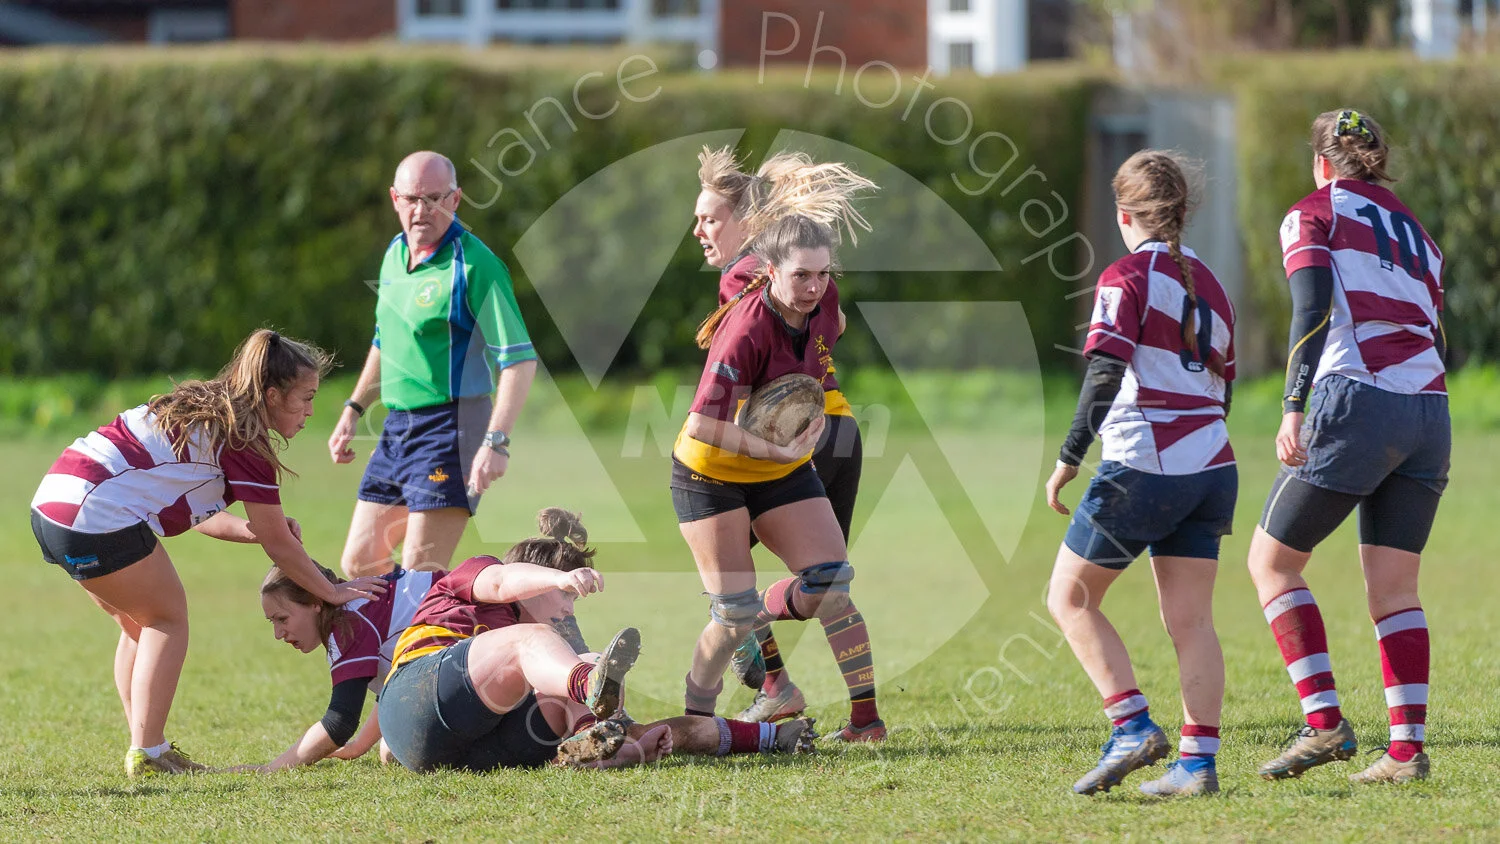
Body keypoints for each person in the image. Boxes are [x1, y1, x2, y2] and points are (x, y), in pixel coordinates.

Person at [29, 329, 387, 778]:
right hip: (94, 513)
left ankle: (144, 747)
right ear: (272, 395)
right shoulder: (246, 438)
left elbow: (200, 512)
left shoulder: (211, 408)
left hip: (53, 506)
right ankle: (150, 752)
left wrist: (256, 530)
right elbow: (280, 542)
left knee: (141, 624)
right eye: (306, 398)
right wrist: (332, 591)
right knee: (167, 618)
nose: (312, 410)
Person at [1249, 110, 1448, 786]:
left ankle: (1324, 724)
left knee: (1271, 564)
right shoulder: (1419, 232)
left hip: (1359, 398)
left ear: (1322, 164)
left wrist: (1292, 407)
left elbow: (1312, 309)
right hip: (1432, 409)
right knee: (1395, 588)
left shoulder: (1314, 212)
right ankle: (1405, 753)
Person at [1043, 150, 1237, 797]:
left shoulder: (1123, 277)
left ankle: (1131, 726)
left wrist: (1070, 456)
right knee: (1193, 621)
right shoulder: (1210, 283)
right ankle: (1197, 767)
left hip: (1146, 467)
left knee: (1069, 598)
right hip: (1214, 466)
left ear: (1124, 214)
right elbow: (1222, 384)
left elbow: (1102, 371)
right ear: (1182, 213)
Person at [673, 214, 884, 743]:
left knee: (831, 583)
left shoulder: (822, 302)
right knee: (733, 617)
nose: (814, 287)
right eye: (801, 276)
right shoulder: (746, 327)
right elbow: (702, 425)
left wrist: (787, 444)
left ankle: (864, 719)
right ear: (769, 272)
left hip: (780, 468)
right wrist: (774, 446)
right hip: (710, 475)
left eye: (822, 274)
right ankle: (695, 722)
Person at [330, 150, 538, 578]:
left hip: (453, 425)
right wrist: (354, 408)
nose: (421, 210)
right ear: (394, 199)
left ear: (456, 199)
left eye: (434, 199)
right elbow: (386, 341)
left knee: (421, 570)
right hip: (397, 426)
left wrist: (497, 441)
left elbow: (519, 361)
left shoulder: (476, 266)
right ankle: (418, 636)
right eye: (411, 199)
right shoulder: (393, 255)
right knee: (359, 561)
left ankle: (456, 639)